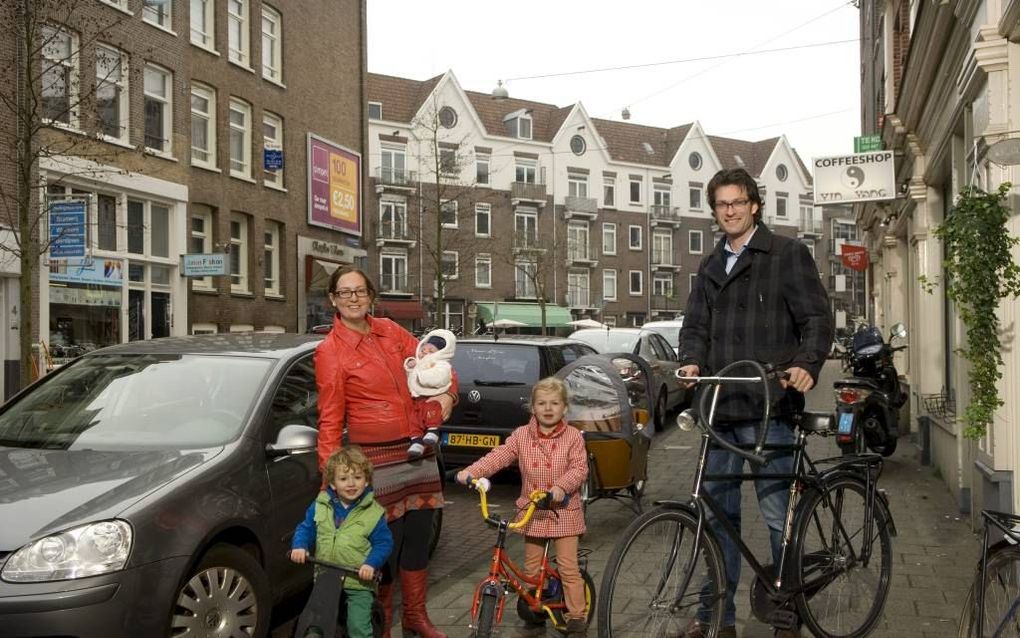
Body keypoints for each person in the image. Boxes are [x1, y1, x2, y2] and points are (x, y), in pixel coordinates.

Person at [678, 168, 832, 638]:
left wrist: (807, 362)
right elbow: (695, 328)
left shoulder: (786, 254)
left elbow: (816, 319)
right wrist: (689, 361)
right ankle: (717, 619)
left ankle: (788, 613)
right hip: (720, 409)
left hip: (770, 409)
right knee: (716, 517)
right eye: (721, 205)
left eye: (738, 203)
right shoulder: (709, 265)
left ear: (754, 205)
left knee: (775, 515)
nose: (730, 211)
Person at [316, 266, 456, 638]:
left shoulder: (391, 331)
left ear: (371, 295)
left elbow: (439, 365)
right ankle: (381, 625)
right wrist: (329, 482)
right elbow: (329, 422)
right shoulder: (330, 351)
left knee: (418, 541)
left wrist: (446, 396)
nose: (353, 298)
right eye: (344, 292)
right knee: (384, 550)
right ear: (333, 299)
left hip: (419, 456)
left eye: (360, 291)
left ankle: (415, 616)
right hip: (375, 461)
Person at [456, 377, 589, 638]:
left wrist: (561, 487)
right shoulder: (521, 435)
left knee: (567, 567)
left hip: (564, 511)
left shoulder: (573, 437)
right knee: (531, 569)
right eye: (541, 403)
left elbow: (578, 469)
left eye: (554, 403)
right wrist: (471, 472)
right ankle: (536, 610)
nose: (548, 408)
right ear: (533, 407)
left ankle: (576, 616)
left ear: (564, 408)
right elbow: (500, 456)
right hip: (533, 511)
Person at [290, 447, 394, 638]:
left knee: (358, 626)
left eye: (357, 477)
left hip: (358, 582)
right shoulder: (320, 505)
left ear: (367, 480)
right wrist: (300, 546)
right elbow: (306, 528)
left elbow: (384, 543)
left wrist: (370, 564)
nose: (351, 484)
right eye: (344, 479)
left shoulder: (373, 513)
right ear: (332, 483)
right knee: (316, 624)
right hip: (326, 577)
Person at [403, 329, 457, 458]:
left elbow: (449, 375)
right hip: (405, 414)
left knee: (430, 412)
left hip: (421, 403)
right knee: (414, 422)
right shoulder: (420, 358)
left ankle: (431, 431)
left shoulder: (393, 331)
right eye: (423, 350)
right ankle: (416, 441)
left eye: (430, 351)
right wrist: (411, 365)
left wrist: (450, 394)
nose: (425, 353)